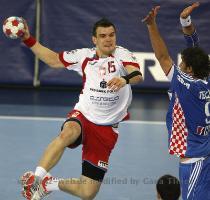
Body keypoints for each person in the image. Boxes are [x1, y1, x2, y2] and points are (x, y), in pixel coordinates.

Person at [19, 18, 143, 200]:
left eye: (111, 35)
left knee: (88, 193)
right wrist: (28, 39)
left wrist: (124, 79)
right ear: (94, 40)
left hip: (107, 128)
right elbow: (53, 60)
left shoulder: (122, 55)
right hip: (84, 115)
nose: (108, 39)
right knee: (67, 133)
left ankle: (48, 184)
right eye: (103, 36)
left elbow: (137, 75)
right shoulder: (84, 56)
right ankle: (36, 179)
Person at [142, 2, 210, 200]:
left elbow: (162, 57)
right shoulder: (205, 77)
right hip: (204, 154)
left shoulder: (185, 84)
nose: (178, 65)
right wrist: (185, 21)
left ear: (188, 69)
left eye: (182, 63)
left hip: (196, 161)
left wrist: (151, 25)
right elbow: (195, 47)